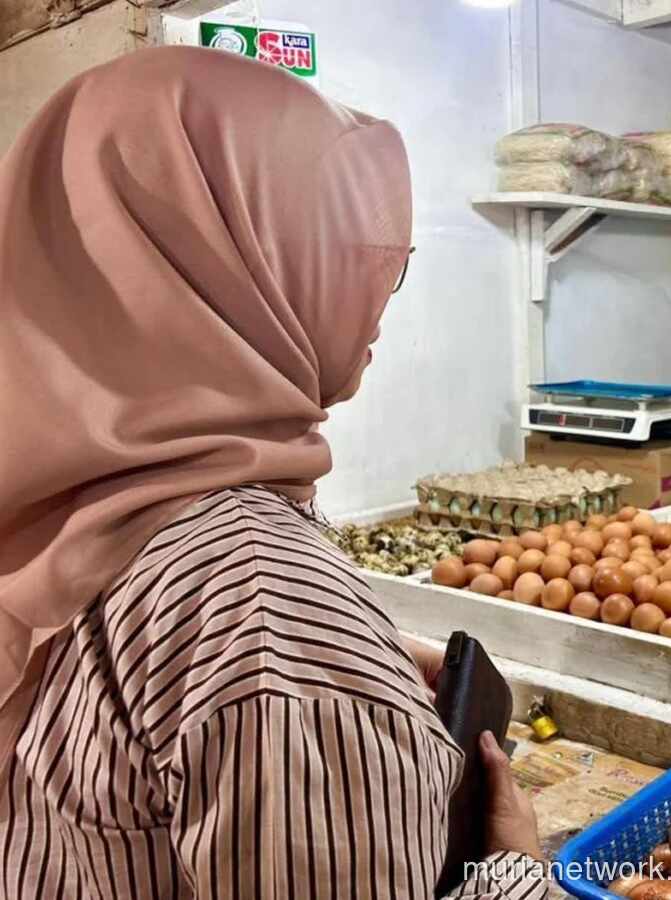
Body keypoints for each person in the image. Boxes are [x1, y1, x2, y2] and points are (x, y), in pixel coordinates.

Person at [0, 47, 545, 899]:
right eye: (352, 251)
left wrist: (305, 679)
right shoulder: (261, 602)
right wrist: (514, 869)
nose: (379, 296)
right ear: (239, 260)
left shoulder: (45, 498)